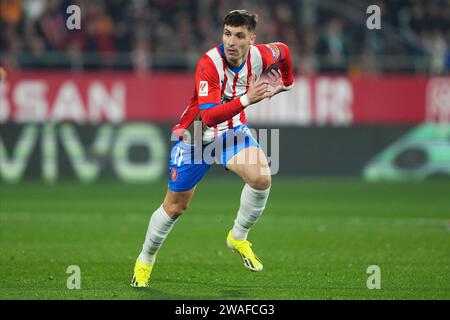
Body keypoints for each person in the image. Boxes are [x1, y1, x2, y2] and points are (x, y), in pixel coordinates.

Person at [131, 9, 294, 287]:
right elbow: (207, 116)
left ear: (251, 40)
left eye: (239, 36)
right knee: (175, 207)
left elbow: (285, 51)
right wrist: (246, 100)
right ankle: (145, 260)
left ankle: (238, 237)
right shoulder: (209, 63)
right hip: (195, 136)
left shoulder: (260, 56)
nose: (231, 41)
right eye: (227, 33)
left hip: (231, 132)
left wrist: (287, 83)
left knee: (262, 178)